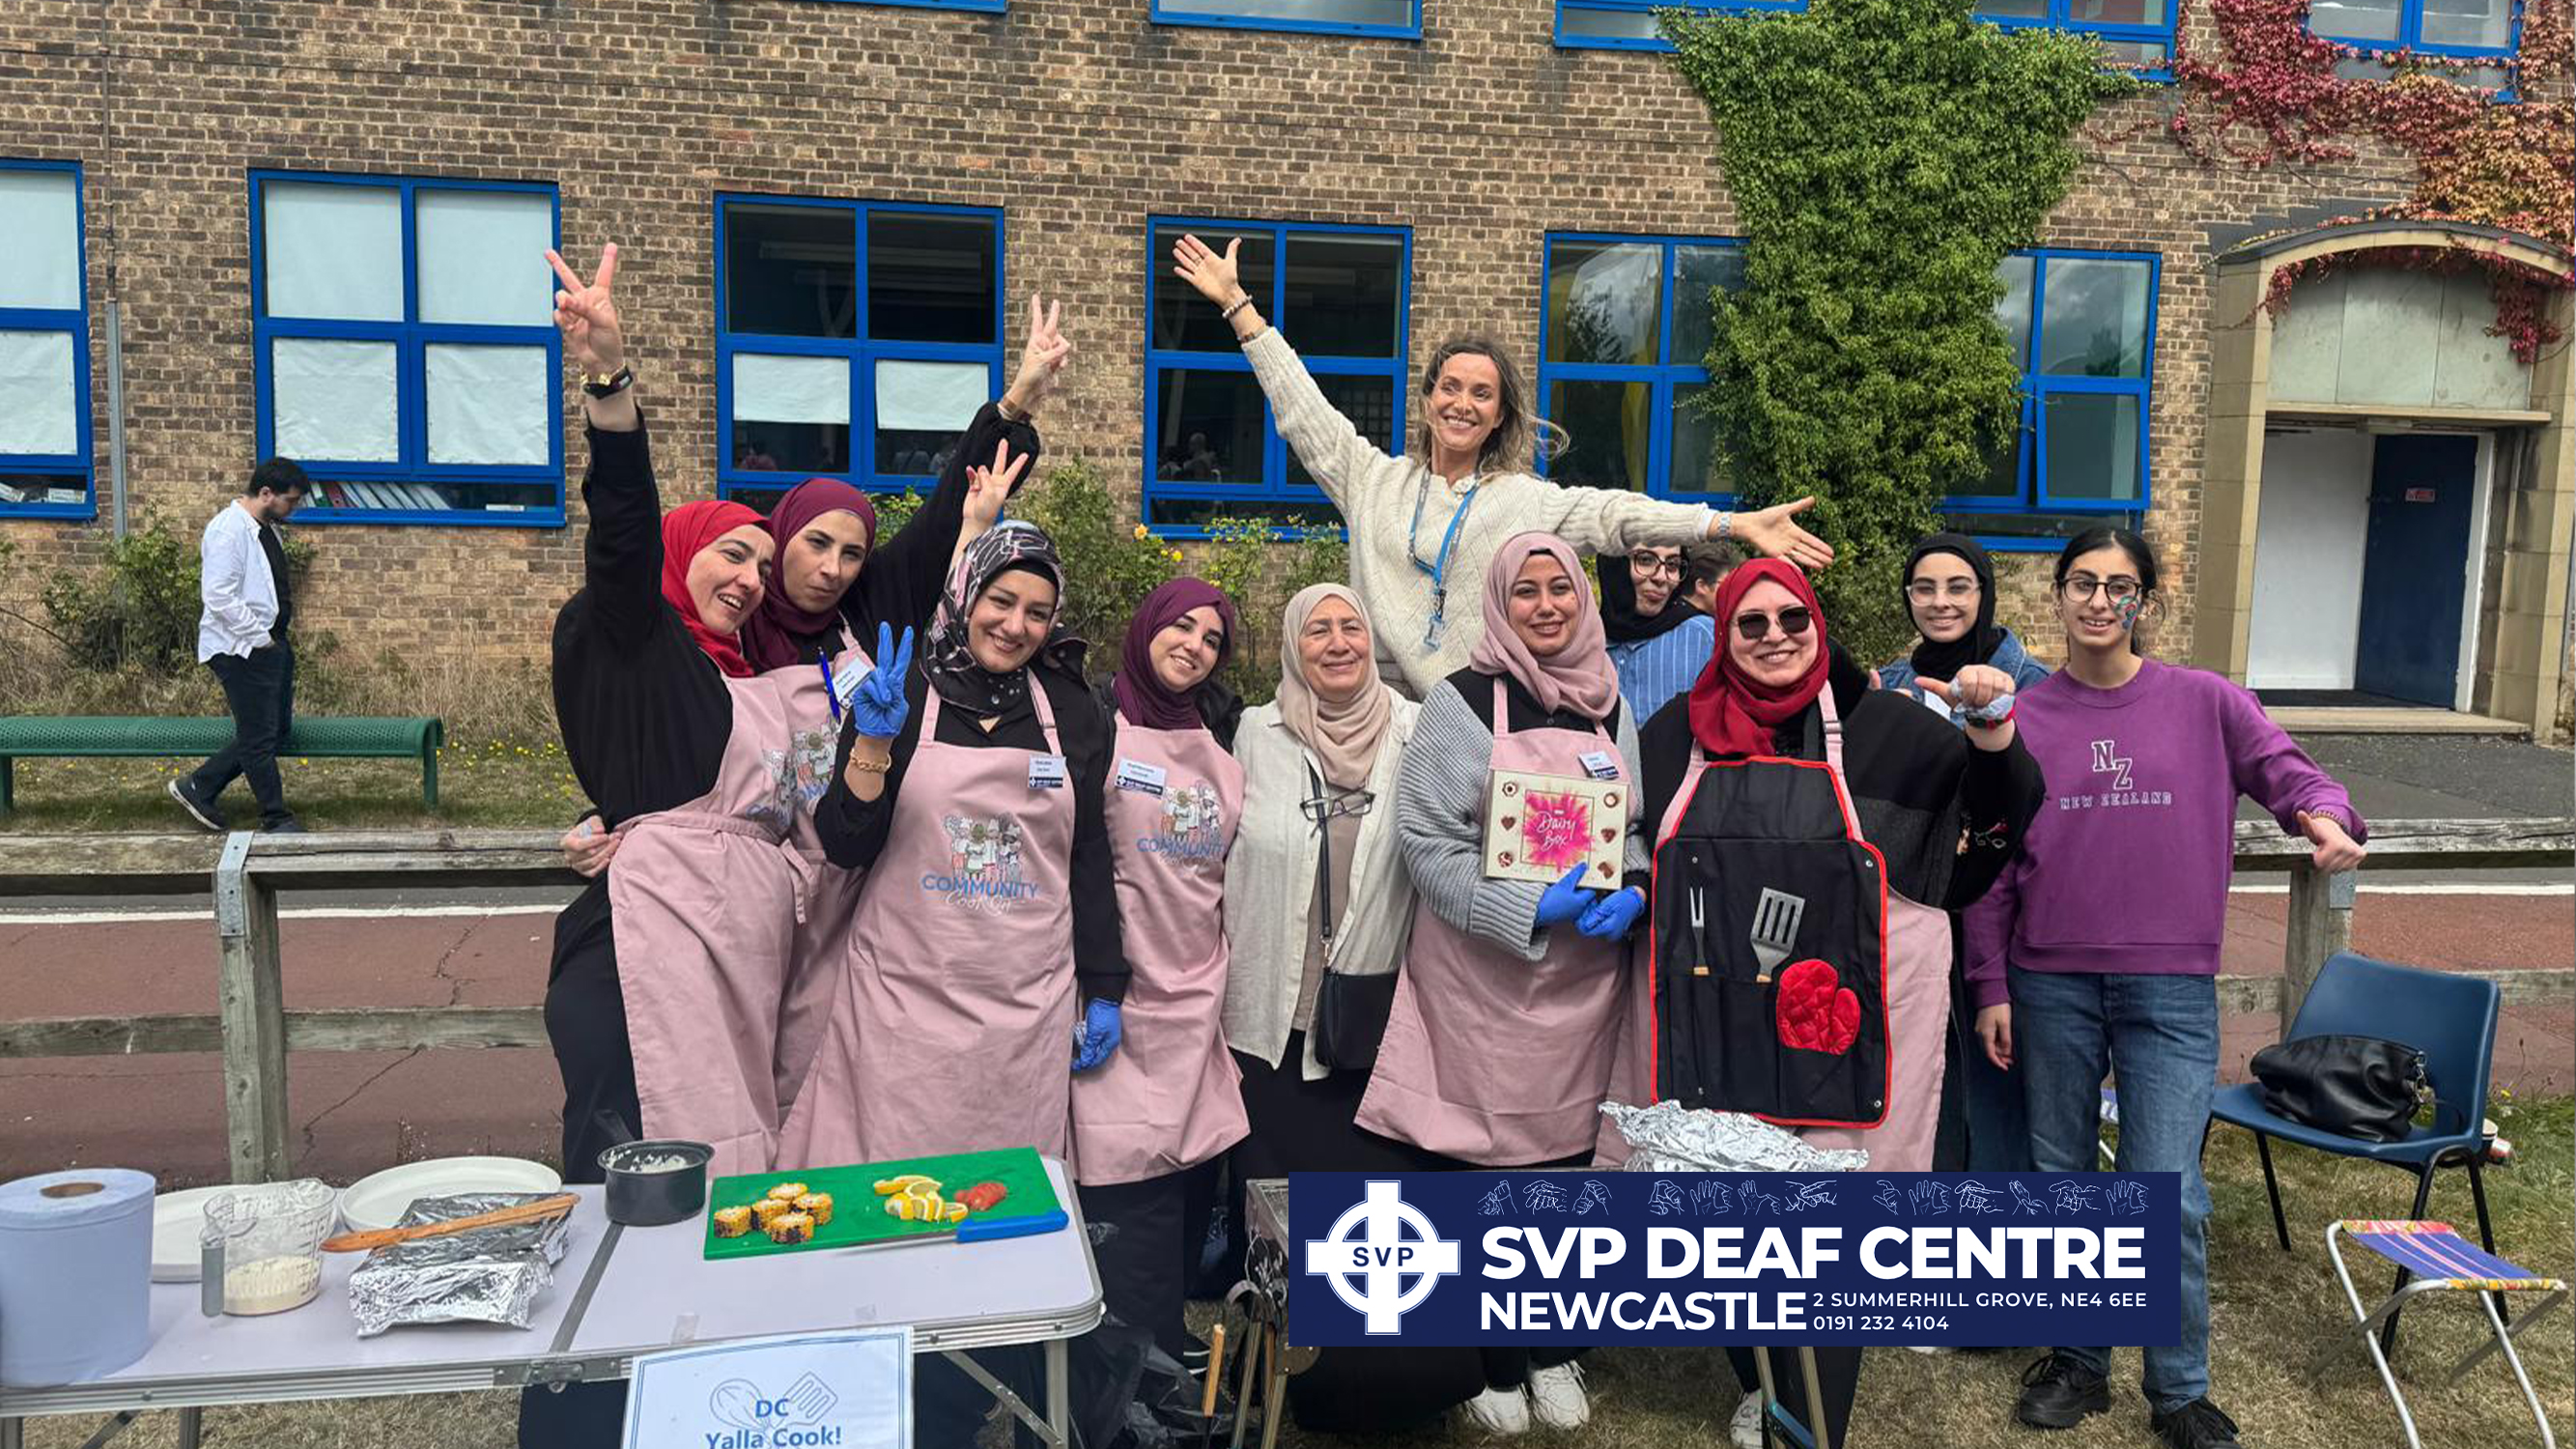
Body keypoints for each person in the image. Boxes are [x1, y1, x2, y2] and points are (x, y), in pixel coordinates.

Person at [1966, 527, 2366, 1449]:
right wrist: (1989, 981)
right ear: (2056, 597)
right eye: (2082, 584)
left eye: (2119, 587)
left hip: (2170, 985)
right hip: (2047, 980)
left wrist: (2325, 814)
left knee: (2165, 1190)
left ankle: (2177, 1387)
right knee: (2062, 1181)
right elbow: (1990, 864)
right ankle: (2077, 1360)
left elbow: (2286, 770)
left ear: (2145, 601)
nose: (2099, 601)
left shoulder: (2206, 702)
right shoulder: (2024, 715)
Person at [1634, 557, 2042, 1449]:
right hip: (1718, 1022)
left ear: (1819, 625)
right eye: (1753, 623)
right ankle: (1761, 1380)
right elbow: (1637, 850)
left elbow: (1997, 825)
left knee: (1834, 1231)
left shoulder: (1890, 730)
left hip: (1849, 1024)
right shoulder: (1672, 735)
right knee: (1724, 1220)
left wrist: (1993, 731)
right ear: (1725, 632)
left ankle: (1810, 1422)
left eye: (1793, 620)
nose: (1775, 636)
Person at [780, 521, 1126, 1449]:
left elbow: (1089, 857)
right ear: (966, 594)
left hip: (1021, 1012)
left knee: (999, 1222)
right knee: (891, 1214)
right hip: (903, 1009)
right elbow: (847, 845)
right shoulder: (905, 692)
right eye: (1001, 601)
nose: (1013, 624)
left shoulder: (1073, 711)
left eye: (1036, 611)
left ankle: (992, 1394)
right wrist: (873, 746)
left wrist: (1105, 983)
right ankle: (877, 1395)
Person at [1167, 233, 1833, 698]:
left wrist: (1728, 524)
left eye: (1480, 394)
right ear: (1427, 400)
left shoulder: (1520, 499)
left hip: (1473, 719)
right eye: (1449, 388)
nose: (1461, 404)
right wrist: (1238, 308)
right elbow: (1301, 409)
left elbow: (1613, 515)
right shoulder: (1371, 482)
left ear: (1498, 417)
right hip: (1376, 712)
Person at [1371, 531, 1654, 1435]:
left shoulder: (1614, 710)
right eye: (1524, 592)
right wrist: (1532, 908)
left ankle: (1548, 1345)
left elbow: (1636, 832)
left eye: (1558, 590)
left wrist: (1636, 891)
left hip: (1581, 997)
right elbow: (1427, 842)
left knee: (1565, 1172)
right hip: (1479, 984)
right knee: (1469, 1168)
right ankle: (1484, 1356)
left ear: (1582, 600)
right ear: (1498, 604)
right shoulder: (1458, 703)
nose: (1544, 607)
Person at [1223, 584, 1493, 1435]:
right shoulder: (1252, 735)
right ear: (1292, 648)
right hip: (1269, 1019)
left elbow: (1489, 826)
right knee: (1281, 1219)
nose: (1337, 643)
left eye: (1351, 627)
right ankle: (1292, 1386)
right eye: (1317, 630)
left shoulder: (1425, 730)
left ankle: (1402, 1395)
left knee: (1388, 1220)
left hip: (1379, 1024)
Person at [1071, 577, 1251, 1417]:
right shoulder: (1093, 721)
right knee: (1122, 1187)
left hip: (1195, 991)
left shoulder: (1217, 740)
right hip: (1114, 984)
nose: (1193, 646)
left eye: (1211, 638)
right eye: (1180, 626)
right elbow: (1070, 861)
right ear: (1144, 626)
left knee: (1184, 1176)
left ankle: (1167, 1348)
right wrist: (1099, 983)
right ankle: (1121, 1377)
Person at [1875, 533, 2052, 1177]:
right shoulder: (1892, 684)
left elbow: (2041, 799)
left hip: (2005, 915)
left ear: (1985, 593)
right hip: (1919, 914)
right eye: (1923, 588)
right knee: (1924, 1074)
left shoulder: (2034, 686)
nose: (1939, 602)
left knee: (1999, 1080)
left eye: (1957, 587)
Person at [170, 457, 311, 835]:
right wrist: (260, 637)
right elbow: (218, 596)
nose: (293, 508)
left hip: (269, 645)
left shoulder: (265, 528)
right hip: (241, 648)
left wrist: (273, 639)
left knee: (274, 730)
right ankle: (275, 817)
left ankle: (199, 786)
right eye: (290, 501)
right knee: (260, 737)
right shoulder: (228, 531)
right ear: (266, 493)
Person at [1600, 541, 1728, 724]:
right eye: (1645, 560)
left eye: (1672, 565)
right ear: (1614, 563)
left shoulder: (1703, 637)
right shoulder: (1582, 643)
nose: (1662, 577)